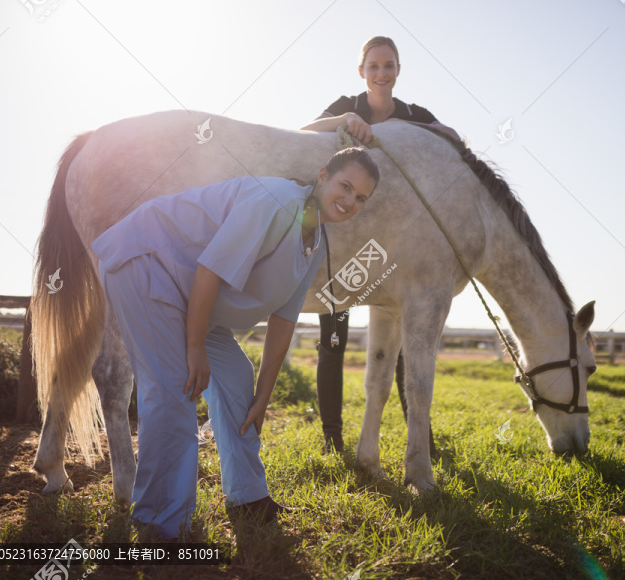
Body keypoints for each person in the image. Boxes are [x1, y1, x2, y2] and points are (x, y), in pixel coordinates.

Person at [91, 147, 380, 539]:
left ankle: (248, 499)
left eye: (361, 197)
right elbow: (209, 271)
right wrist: (194, 349)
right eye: (345, 186)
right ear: (322, 175)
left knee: (237, 375)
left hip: (192, 296)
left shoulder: (316, 243)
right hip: (149, 264)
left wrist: (263, 397)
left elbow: (284, 322)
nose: (349, 201)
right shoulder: (277, 204)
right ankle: (159, 522)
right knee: (179, 386)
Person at [301, 36, 454, 454]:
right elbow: (302, 131)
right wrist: (345, 120)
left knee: (404, 342)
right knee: (333, 341)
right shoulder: (347, 104)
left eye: (389, 66)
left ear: (398, 70)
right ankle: (333, 438)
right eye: (373, 67)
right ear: (362, 72)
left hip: (392, 251)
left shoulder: (411, 115)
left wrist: (434, 130)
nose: (381, 74)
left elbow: (448, 139)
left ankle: (421, 439)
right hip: (347, 244)